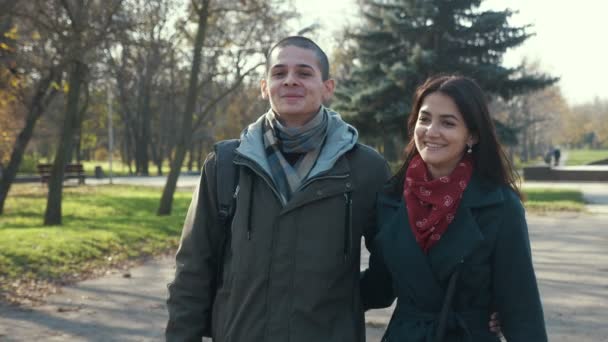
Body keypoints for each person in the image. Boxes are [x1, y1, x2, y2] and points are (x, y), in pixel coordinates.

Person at [165, 36, 390, 342]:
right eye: (279, 72)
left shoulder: (366, 167)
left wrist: (343, 304)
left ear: (328, 87)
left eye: (304, 73)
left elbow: (389, 267)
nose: (290, 81)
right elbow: (192, 270)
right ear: (264, 86)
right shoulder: (226, 164)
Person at [361, 75, 547, 341]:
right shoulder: (390, 199)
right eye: (424, 119)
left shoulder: (500, 205)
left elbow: (521, 308)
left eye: (447, 123)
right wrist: (311, 293)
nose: (431, 131)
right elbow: (380, 287)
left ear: (471, 135)